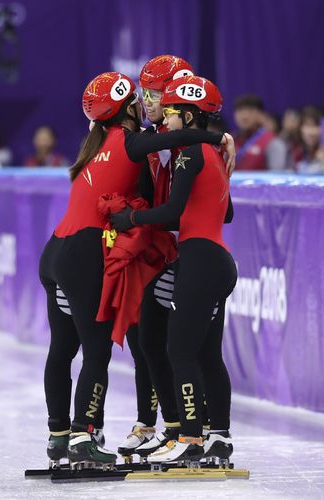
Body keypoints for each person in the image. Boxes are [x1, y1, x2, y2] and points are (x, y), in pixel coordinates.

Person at [38, 71, 235, 467]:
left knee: (62, 349)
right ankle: (83, 436)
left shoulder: (91, 146)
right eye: (139, 100)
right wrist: (218, 137)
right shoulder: (128, 141)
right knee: (97, 351)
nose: (150, 108)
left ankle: (59, 436)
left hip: (55, 252)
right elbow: (174, 139)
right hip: (83, 253)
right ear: (128, 108)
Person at [111, 75, 237, 464]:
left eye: (169, 112)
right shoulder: (213, 154)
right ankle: (219, 436)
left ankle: (191, 438)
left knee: (179, 351)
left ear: (186, 114)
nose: (165, 120)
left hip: (198, 261)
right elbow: (227, 212)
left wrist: (127, 217)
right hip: (217, 259)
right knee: (208, 355)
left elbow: (172, 212)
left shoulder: (187, 154)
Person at [117, 54, 197, 458]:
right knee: (141, 339)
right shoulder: (154, 134)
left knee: (155, 341)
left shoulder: (185, 135)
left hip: (172, 250)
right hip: (147, 245)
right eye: (143, 93)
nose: (146, 100)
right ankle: (151, 422)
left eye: (154, 94)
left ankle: (181, 427)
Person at [233, 94, 274, 170]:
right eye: (240, 111)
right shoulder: (230, 139)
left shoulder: (271, 141)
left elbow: (277, 177)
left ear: (261, 115)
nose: (244, 117)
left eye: (250, 111)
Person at [296, 106, 324, 174]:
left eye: (315, 126)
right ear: (300, 128)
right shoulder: (295, 152)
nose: (311, 132)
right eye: (307, 125)